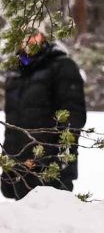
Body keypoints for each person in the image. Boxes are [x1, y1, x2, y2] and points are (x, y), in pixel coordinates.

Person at [2, 28, 87, 200]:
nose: (28, 40)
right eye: (23, 36)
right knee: (22, 215)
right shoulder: (16, 72)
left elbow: (74, 115)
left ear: (43, 36)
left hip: (50, 164)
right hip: (19, 166)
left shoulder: (62, 66)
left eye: (33, 34)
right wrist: (8, 162)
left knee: (53, 214)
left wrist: (60, 157)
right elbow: (12, 122)